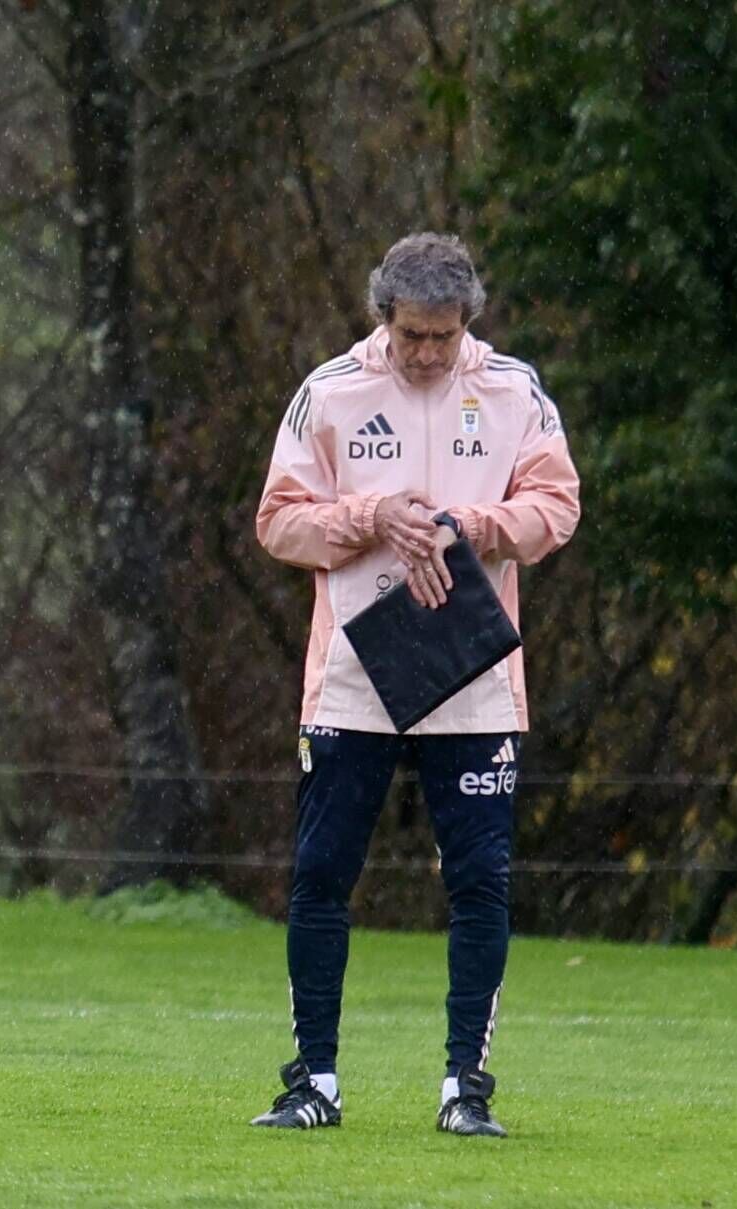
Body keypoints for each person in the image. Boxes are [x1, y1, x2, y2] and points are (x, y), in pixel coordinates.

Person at [249, 233, 580, 1137]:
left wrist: (468, 526)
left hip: (473, 674)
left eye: (444, 336)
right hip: (352, 676)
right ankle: (313, 1081)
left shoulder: (513, 390)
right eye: (411, 337)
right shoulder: (330, 392)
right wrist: (372, 516)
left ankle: (464, 1088)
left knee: (480, 881)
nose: (428, 354)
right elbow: (278, 522)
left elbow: (558, 505)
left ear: (467, 319)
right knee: (322, 875)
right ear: (380, 318)